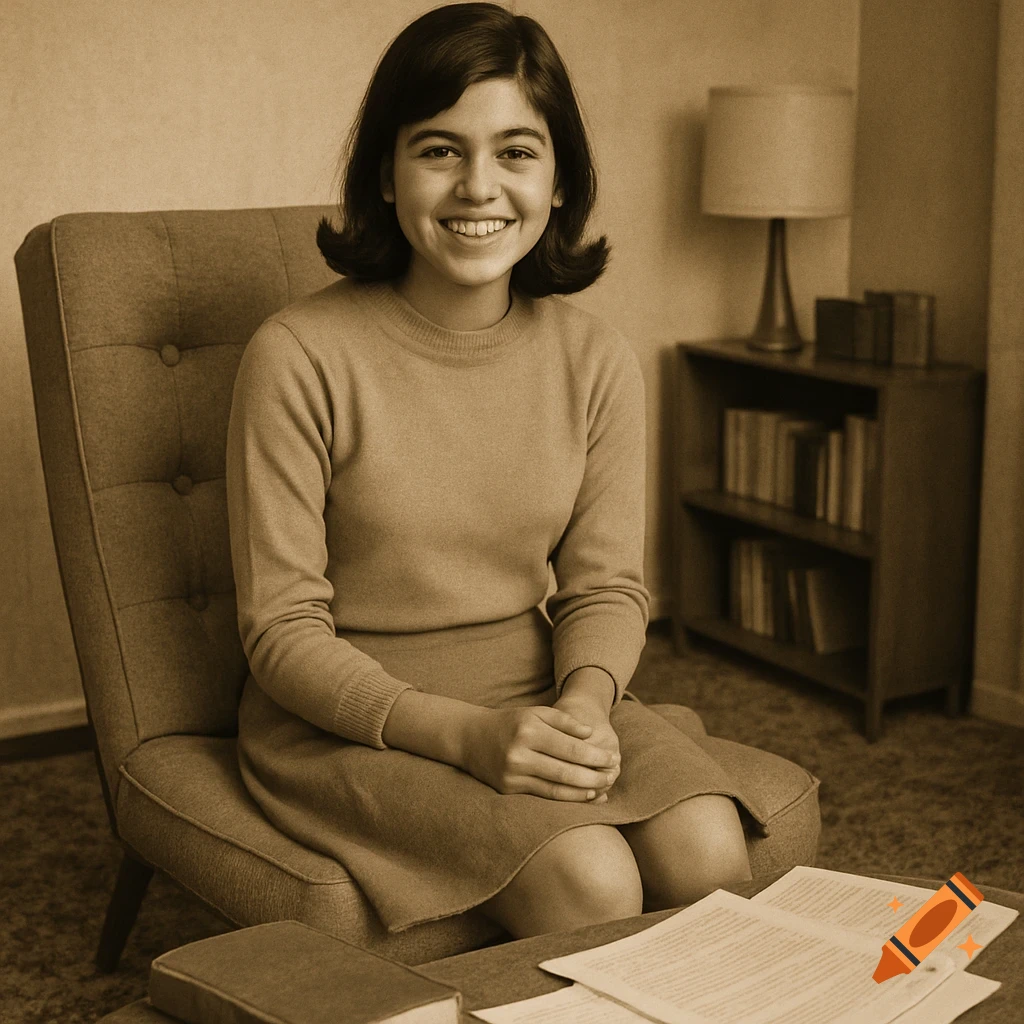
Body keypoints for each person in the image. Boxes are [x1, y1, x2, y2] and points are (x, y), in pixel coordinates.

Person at [226, 1, 764, 942]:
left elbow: (605, 586)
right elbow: (281, 630)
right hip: (352, 717)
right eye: (439, 150)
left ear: (559, 182)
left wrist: (585, 709)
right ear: (386, 175)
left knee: (709, 851)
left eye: (516, 151)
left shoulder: (596, 359)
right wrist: (468, 736)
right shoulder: (297, 354)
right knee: (591, 879)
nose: (479, 186)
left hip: (539, 690)